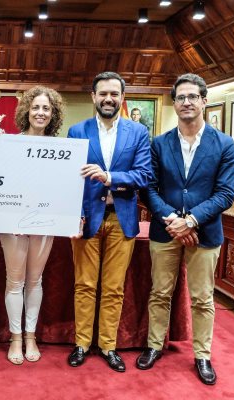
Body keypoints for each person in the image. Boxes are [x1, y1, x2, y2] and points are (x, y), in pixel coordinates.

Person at [136, 73, 234, 385]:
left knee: (203, 298)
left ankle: (202, 355)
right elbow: (149, 188)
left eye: (193, 96)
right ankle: (154, 346)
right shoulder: (158, 143)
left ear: (204, 101)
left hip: (204, 233)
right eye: (181, 97)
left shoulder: (224, 144)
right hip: (165, 230)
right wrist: (172, 219)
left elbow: (225, 194)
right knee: (159, 293)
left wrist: (191, 220)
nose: (187, 102)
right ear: (175, 103)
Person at [67, 71, 152, 372]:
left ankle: (108, 346)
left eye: (114, 94)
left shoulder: (138, 132)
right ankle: (81, 344)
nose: (108, 99)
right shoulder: (77, 131)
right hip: (87, 219)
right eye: (103, 93)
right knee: (84, 285)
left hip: (122, 219)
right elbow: (70, 180)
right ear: (93, 96)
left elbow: (144, 175)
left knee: (114, 288)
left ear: (122, 98)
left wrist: (110, 177)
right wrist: (75, 215)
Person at [1, 86, 65, 365]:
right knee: (14, 281)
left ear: (53, 114)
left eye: (46, 108)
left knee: (35, 281)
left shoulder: (62, 149)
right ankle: (15, 337)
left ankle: (31, 336)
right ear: (26, 110)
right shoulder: (8, 144)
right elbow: (0, 183)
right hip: (12, 224)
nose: (40, 113)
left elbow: (64, 189)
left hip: (44, 223)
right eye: (36, 107)